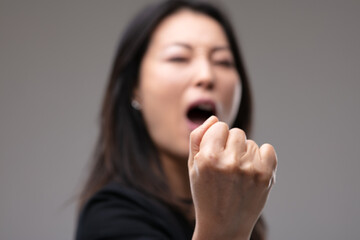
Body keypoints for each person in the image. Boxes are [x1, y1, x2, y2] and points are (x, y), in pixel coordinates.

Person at [75, 0, 277, 239]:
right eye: (179, 58)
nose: (206, 75)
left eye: (223, 61)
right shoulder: (109, 219)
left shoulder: (246, 219)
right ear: (135, 87)